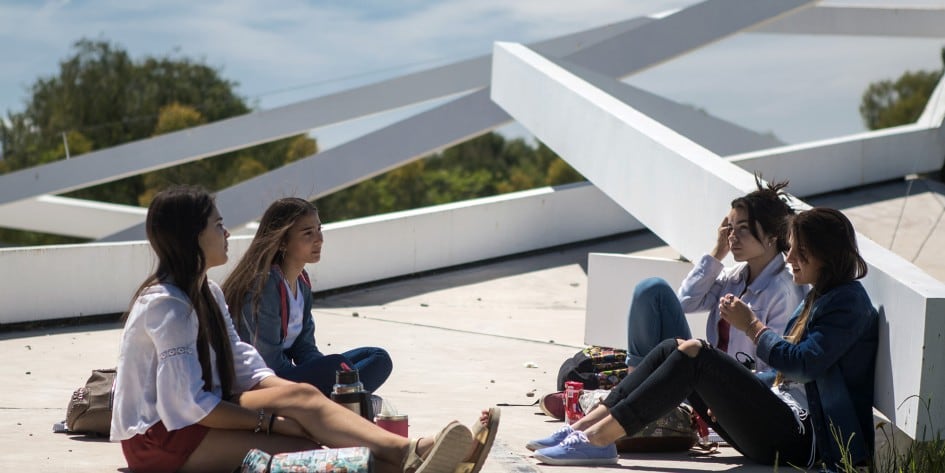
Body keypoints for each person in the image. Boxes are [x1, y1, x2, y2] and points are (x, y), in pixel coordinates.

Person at [110, 186, 499, 473]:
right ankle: (417, 459)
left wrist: (298, 397)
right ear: (192, 236)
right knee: (303, 443)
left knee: (306, 397)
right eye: (219, 225)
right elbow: (188, 407)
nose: (227, 233)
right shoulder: (166, 305)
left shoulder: (205, 290)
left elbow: (243, 362)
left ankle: (415, 453)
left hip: (201, 415)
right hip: (161, 440)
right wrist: (271, 420)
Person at [528, 207, 878, 471]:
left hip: (808, 439)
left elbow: (804, 364)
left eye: (800, 251)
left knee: (695, 354)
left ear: (826, 253)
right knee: (674, 347)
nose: (790, 258)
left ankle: (600, 440)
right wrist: (734, 389)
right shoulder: (820, 295)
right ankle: (583, 428)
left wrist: (753, 327)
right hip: (782, 422)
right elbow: (788, 376)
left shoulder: (848, 301)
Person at [625, 176, 805, 372]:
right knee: (652, 289)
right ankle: (632, 384)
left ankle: (633, 396)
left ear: (772, 236)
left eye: (743, 228)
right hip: (705, 378)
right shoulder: (735, 277)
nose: (732, 237)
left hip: (737, 392)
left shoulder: (783, 292)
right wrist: (719, 251)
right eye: (730, 228)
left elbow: (774, 369)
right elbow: (685, 302)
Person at [222, 197, 392, 396]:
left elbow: (304, 347)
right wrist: (325, 373)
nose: (319, 239)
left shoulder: (301, 281)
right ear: (283, 242)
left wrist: (322, 370)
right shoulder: (265, 284)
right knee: (336, 368)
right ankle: (339, 400)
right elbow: (267, 359)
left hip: (288, 375)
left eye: (319, 229)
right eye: (308, 233)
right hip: (261, 382)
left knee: (377, 358)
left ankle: (335, 399)